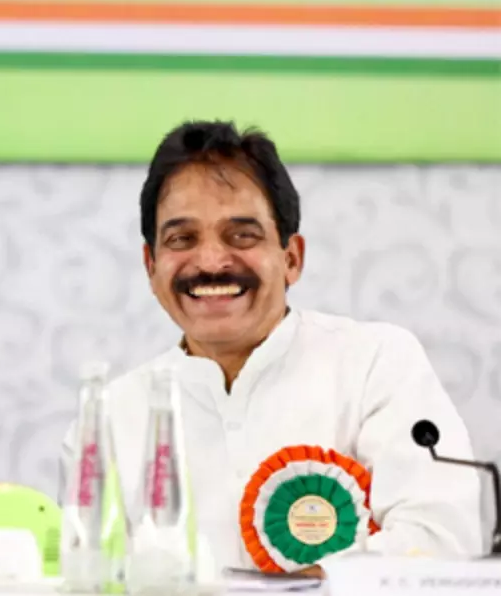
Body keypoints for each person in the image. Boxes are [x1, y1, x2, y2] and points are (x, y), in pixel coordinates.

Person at [68, 121, 482, 574]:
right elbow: (87, 573)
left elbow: (443, 539)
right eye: (182, 239)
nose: (211, 261)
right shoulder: (108, 418)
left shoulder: (376, 364)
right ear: (151, 266)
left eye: (241, 235)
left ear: (291, 259)